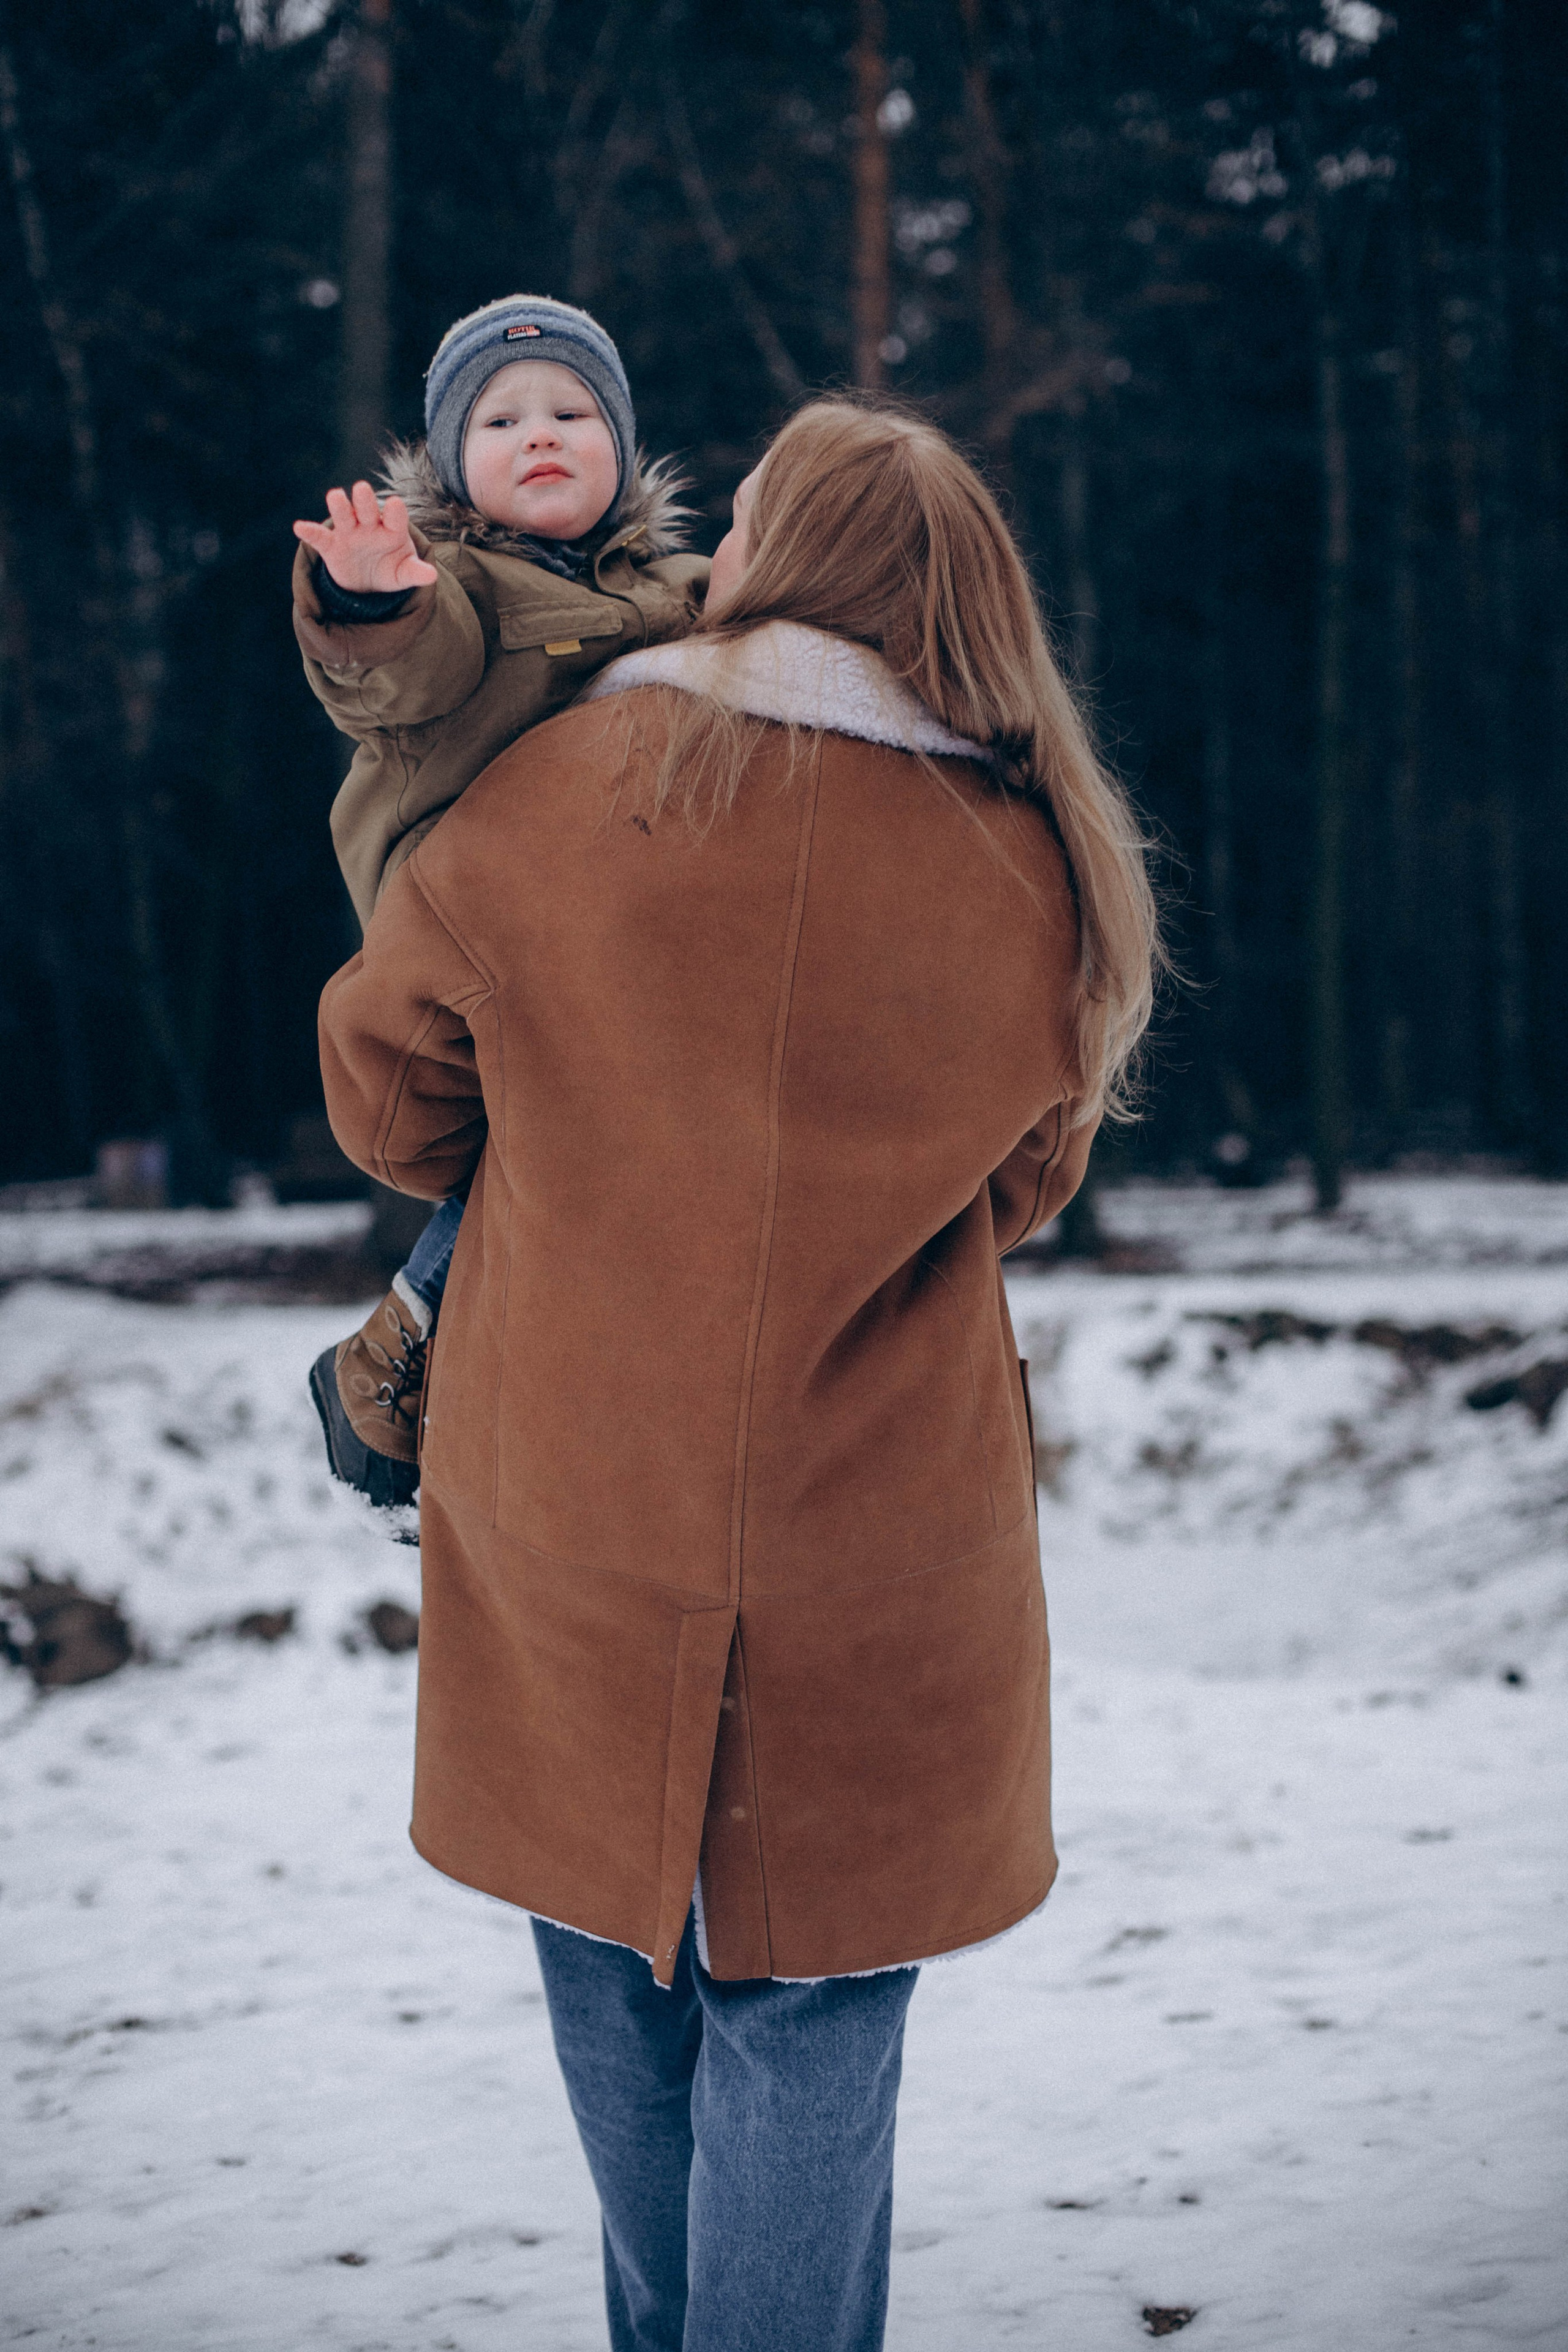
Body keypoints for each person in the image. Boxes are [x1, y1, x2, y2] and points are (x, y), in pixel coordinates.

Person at [317, 396, 1161, 2352]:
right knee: (820, 2025)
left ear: (778, 552)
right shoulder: (1042, 859)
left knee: (617, 1973)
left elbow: (389, 1102)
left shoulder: (563, 787)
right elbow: (1024, 1185)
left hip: (576, 1502)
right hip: (886, 1548)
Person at [292, 294, 709, 1506]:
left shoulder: (680, 587)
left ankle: (542, 1395)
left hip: (634, 922)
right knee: (557, 1111)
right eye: (502, 418)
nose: (542, 432)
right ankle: (410, 1338)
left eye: (574, 412)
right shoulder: (461, 587)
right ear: (450, 467)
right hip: (478, 915)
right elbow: (404, 675)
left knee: (599, 1139)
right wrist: (373, 598)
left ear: (622, 447)